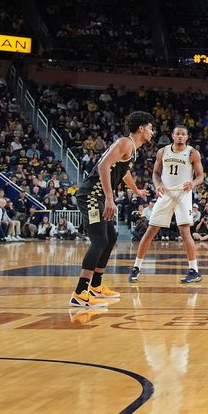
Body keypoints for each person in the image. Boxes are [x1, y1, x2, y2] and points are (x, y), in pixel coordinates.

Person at [69, 111, 152, 308]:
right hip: (91, 195)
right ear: (141, 128)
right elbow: (104, 166)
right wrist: (109, 197)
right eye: (150, 128)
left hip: (98, 196)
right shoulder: (126, 143)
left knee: (110, 238)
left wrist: (136, 190)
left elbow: (123, 173)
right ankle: (80, 292)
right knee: (99, 240)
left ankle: (95, 286)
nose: (152, 132)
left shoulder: (132, 149)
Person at [127, 126, 206, 285]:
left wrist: (192, 183)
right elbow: (156, 174)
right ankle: (136, 267)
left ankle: (194, 270)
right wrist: (157, 185)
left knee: (185, 232)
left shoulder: (192, 153)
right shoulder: (163, 152)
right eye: (177, 134)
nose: (180, 136)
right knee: (150, 231)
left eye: (183, 134)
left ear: (187, 137)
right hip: (165, 194)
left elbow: (200, 176)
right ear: (172, 135)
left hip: (183, 194)